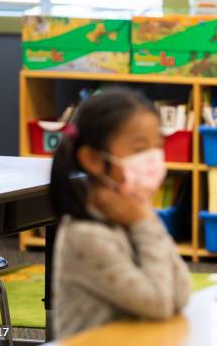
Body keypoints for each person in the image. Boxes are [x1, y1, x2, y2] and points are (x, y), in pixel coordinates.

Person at [49, 87, 191, 339]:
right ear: (92, 160)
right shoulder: (87, 234)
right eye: (138, 149)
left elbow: (180, 292)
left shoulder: (131, 215)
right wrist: (146, 221)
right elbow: (159, 303)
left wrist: (144, 219)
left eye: (156, 147)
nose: (152, 159)